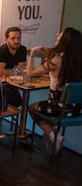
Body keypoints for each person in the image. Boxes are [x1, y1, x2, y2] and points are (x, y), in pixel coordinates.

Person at [27, 27, 82, 156]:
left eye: (60, 35)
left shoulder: (56, 61)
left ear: (64, 42)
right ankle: (54, 134)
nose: (57, 35)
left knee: (32, 108)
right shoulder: (77, 61)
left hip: (58, 108)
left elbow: (30, 73)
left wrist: (33, 53)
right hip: (76, 109)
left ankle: (53, 136)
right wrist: (49, 56)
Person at [0, 26, 27, 107]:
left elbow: (21, 70)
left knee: (18, 102)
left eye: (18, 38)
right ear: (6, 40)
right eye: (13, 38)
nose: (16, 41)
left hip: (12, 81)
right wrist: (15, 71)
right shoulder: (2, 51)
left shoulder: (22, 50)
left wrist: (7, 71)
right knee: (15, 101)